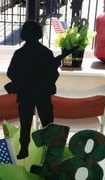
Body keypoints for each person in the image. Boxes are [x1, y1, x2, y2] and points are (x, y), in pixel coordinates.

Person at [5, 20, 74, 160]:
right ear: (39, 34)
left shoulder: (19, 53)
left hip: (25, 94)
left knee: (25, 124)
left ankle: (24, 149)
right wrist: (50, 69)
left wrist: (25, 80)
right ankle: (51, 152)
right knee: (48, 125)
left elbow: (11, 73)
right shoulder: (46, 52)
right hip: (42, 94)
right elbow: (53, 74)